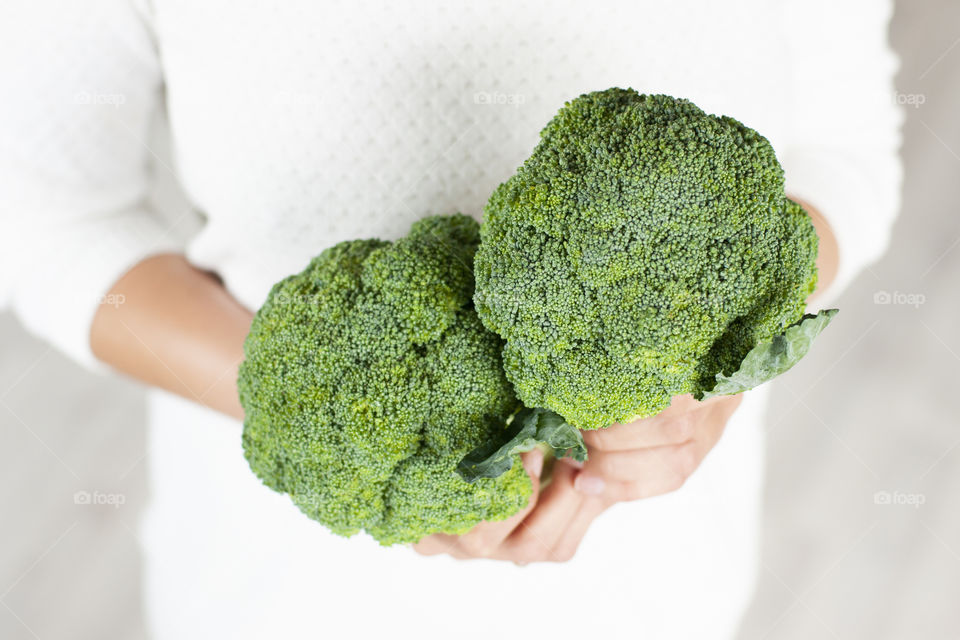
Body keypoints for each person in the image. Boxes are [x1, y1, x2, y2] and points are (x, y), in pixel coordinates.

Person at [0, 0, 901, 637]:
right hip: (288, 591)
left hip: (654, 587)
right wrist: (331, 412)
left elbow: (845, 151)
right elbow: (43, 219)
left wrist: (711, 366)